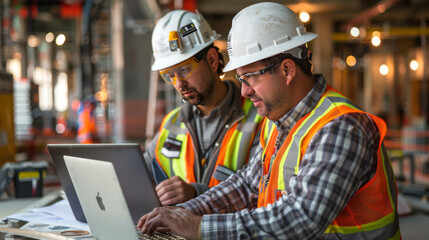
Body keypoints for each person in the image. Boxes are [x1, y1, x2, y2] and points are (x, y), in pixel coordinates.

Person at [138, 2, 401, 239]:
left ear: (287, 70)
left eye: (251, 77)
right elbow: (245, 186)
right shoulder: (280, 123)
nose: (244, 91)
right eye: (241, 79)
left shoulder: (341, 127)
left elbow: (300, 217)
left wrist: (197, 227)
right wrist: (179, 214)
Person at [143, 10, 263, 206]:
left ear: (212, 60)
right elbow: (143, 171)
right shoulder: (171, 123)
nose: (179, 84)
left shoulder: (259, 118)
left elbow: (259, 193)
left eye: (184, 70)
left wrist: (196, 193)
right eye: (170, 75)